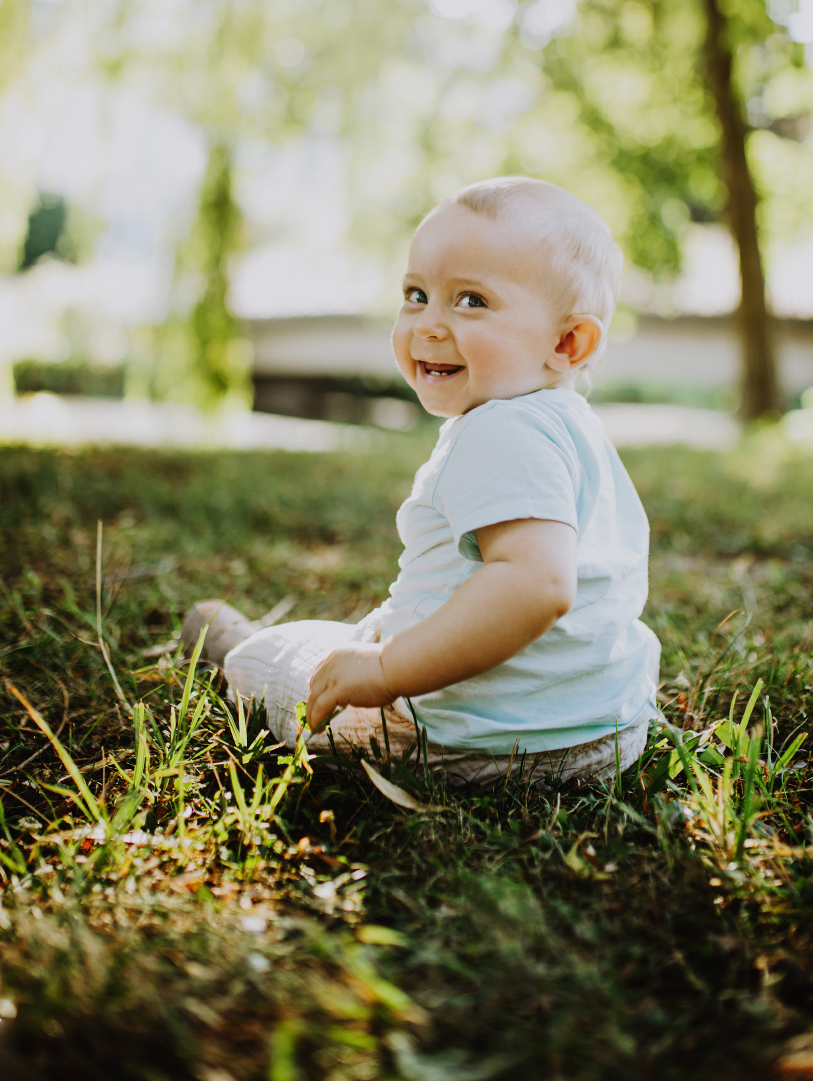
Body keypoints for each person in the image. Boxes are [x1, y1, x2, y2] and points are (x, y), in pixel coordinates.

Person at [182, 177, 659, 784]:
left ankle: (232, 651)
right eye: (416, 294)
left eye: (471, 301)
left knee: (282, 661)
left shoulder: (500, 430)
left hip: (465, 740)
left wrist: (386, 670)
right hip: (605, 735)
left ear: (568, 342)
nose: (429, 325)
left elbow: (536, 585)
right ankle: (380, 648)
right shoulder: (576, 429)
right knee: (357, 640)